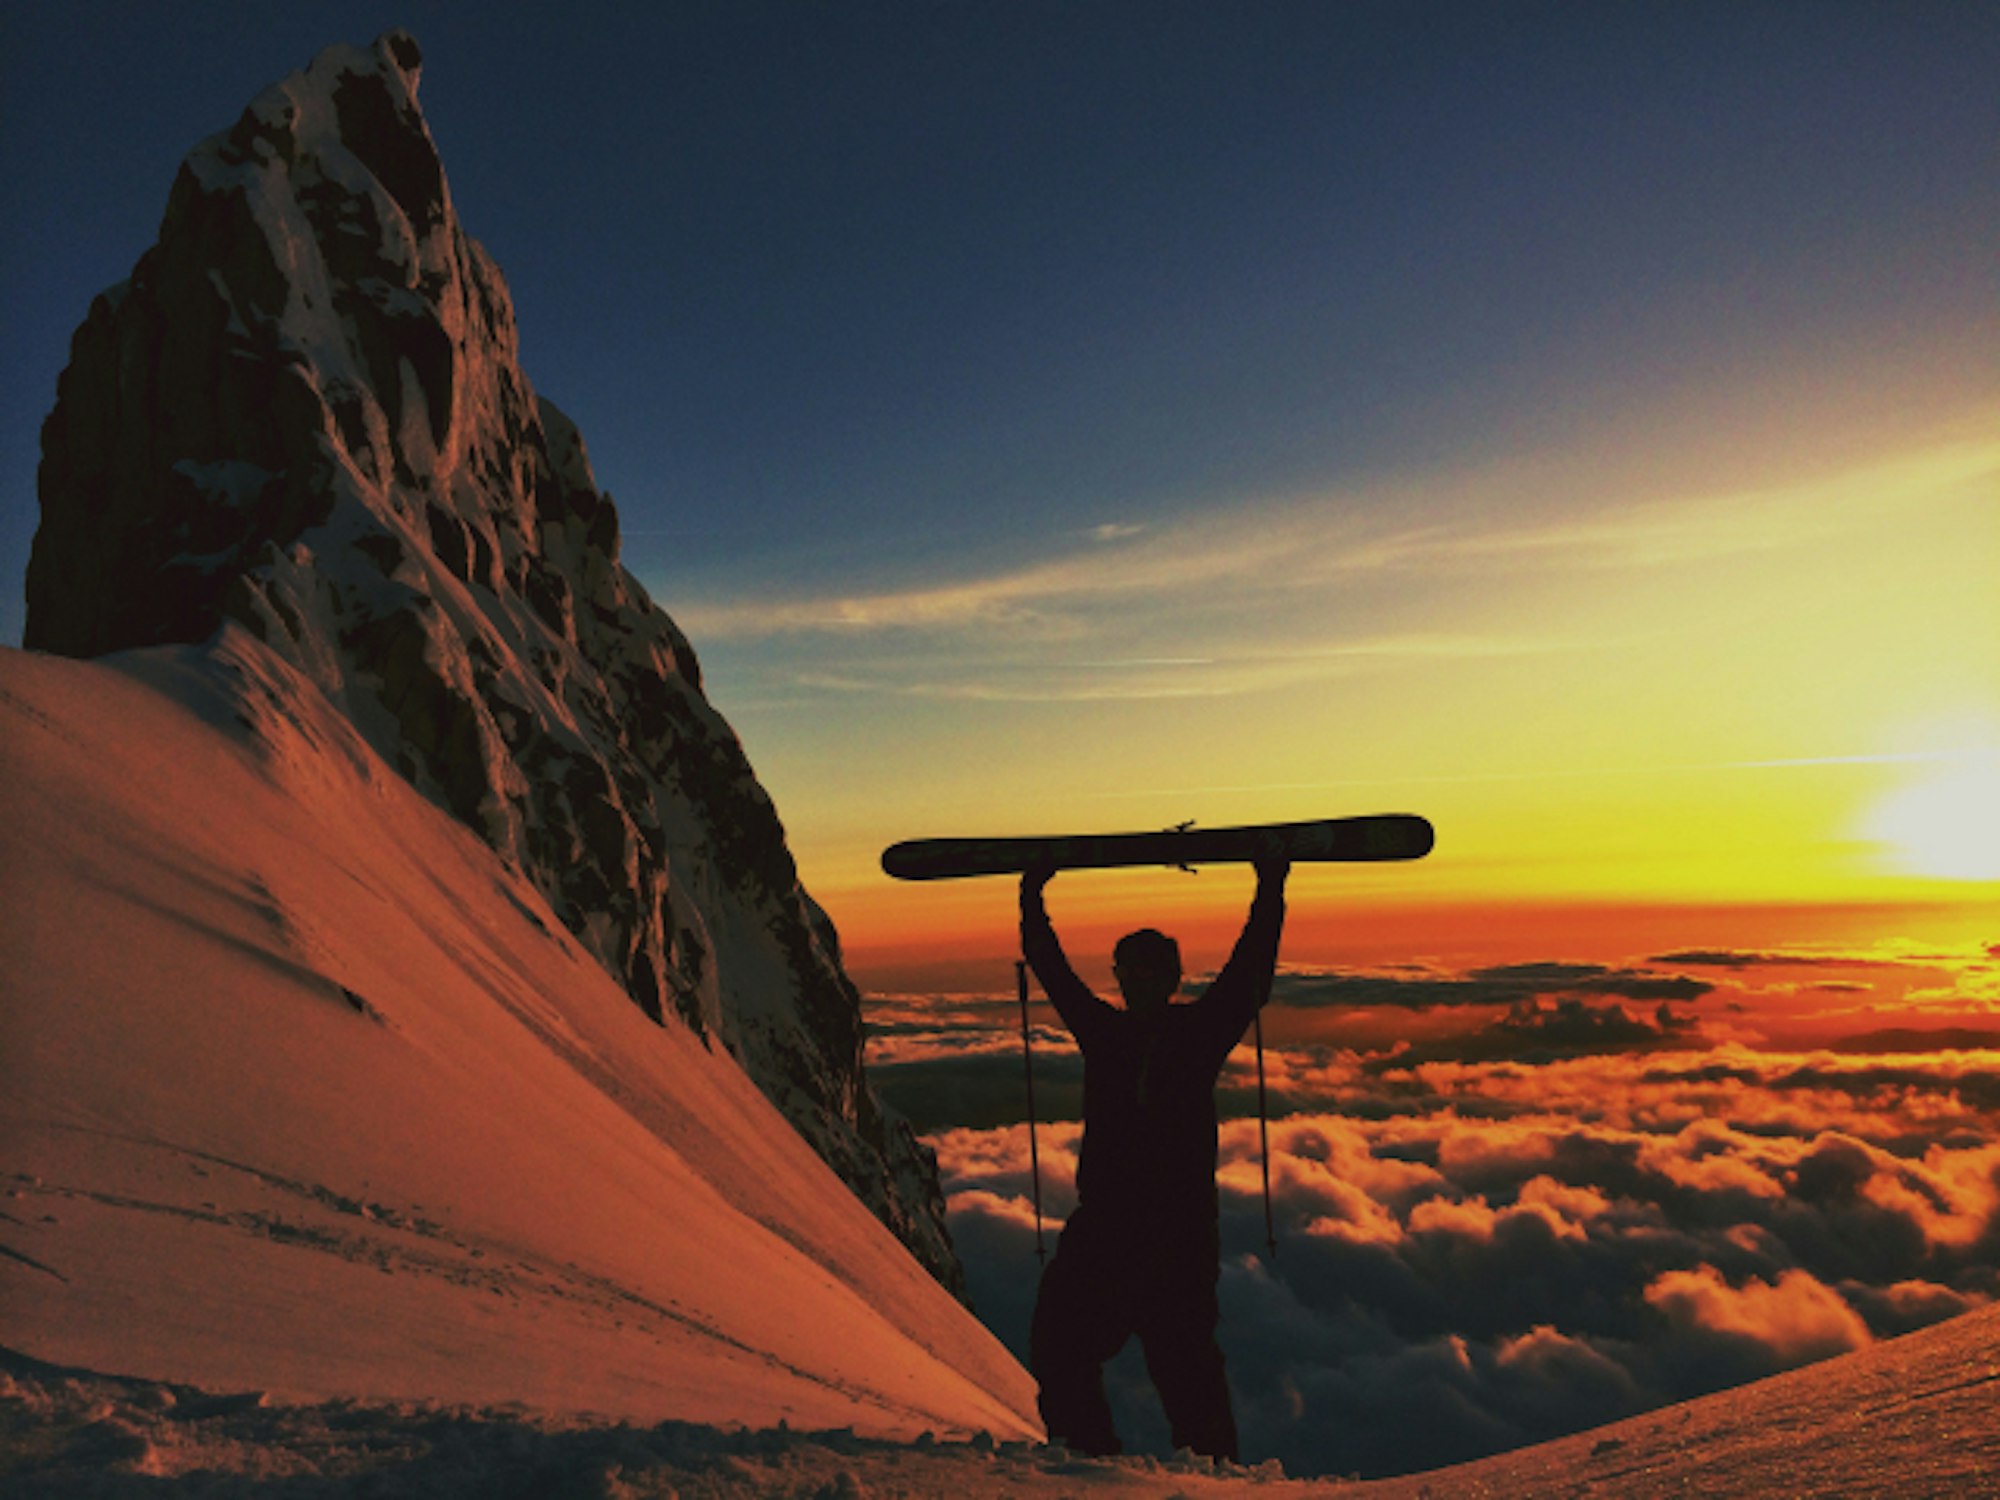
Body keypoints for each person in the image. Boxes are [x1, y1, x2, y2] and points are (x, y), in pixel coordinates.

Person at [1020, 852, 1290, 1462]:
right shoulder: (1133, 1033)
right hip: (1126, 1229)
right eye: (1128, 971)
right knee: (1071, 1347)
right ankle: (1093, 1463)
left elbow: (1250, 972)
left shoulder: (1168, 1033)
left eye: (1146, 971)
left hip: (1166, 1233)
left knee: (1182, 1372)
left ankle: (1186, 1474)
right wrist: (1031, 898)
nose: (1136, 981)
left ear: (1170, 978)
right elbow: (1051, 969)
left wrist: (1271, 888)